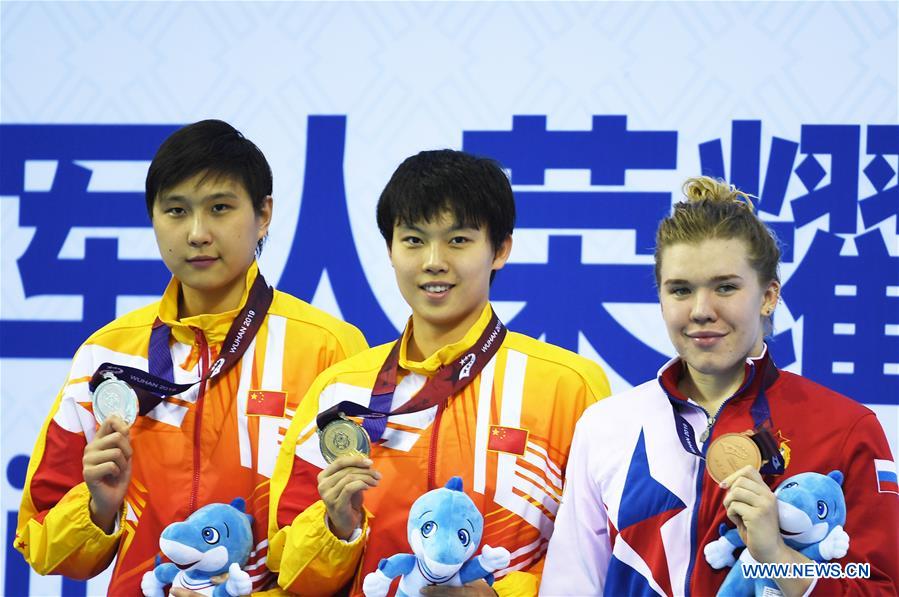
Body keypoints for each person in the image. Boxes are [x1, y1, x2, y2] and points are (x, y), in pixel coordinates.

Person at [14, 120, 367, 594]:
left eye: (220, 208)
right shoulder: (107, 355)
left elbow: (363, 532)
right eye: (176, 211)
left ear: (264, 215)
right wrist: (98, 507)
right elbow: (42, 544)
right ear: (153, 218)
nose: (197, 233)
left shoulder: (329, 349)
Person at [267, 149, 611, 595]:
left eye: (458, 240)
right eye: (413, 240)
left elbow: (599, 554)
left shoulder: (569, 386)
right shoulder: (341, 390)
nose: (433, 261)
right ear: (389, 249)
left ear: (500, 249)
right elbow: (292, 578)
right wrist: (338, 526)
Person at [541, 176, 899, 596]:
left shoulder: (845, 428)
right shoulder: (605, 426)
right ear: (660, 298)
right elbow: (572, 585)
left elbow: (877, 588)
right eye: (680, 290)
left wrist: (777, 556)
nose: (701, 311)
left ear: (768, 296)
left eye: (725, 287)